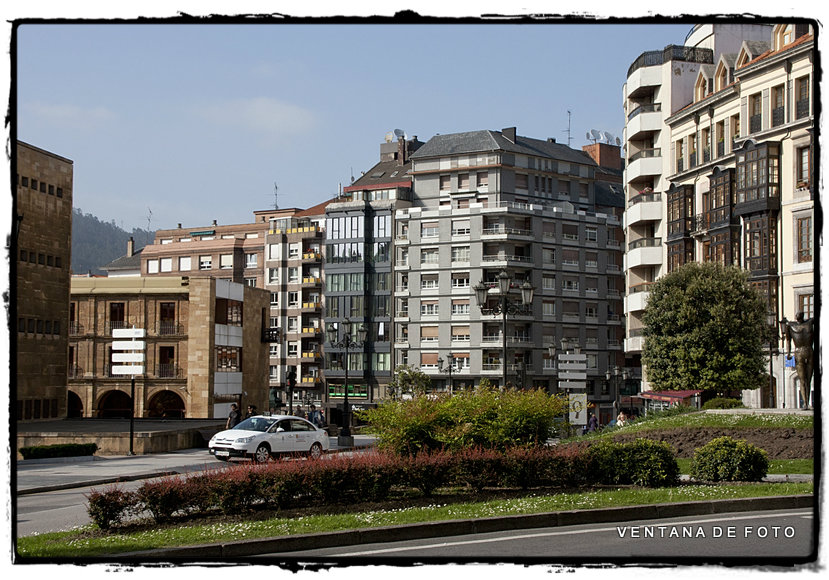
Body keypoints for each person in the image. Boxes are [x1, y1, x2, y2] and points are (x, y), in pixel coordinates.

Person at [782, 312, 815, 408]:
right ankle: (805, 403)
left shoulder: (810, 322)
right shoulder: (790, 325)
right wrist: (788, 353)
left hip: (809, 351)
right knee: (802, 379)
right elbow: (788, 340)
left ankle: (807, 402)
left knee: (808, 378)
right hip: (798, 351)